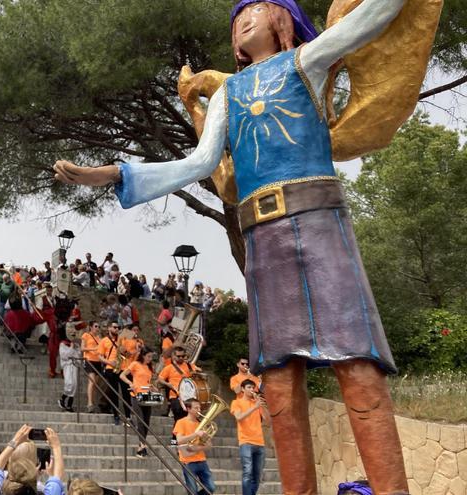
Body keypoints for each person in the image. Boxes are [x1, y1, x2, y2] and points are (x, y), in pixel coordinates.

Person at [53, 1, 414, 491]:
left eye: (258, 11)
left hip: (320, 221)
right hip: (263, 238)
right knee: (280, 386)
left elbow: (370, 18)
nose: (244, 20)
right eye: (237, 17)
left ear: (282, 22)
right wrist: (117, 173)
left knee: (359, 368)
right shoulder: (228, 94)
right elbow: (198, 163)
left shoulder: (307, 61)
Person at [0, 425, 64, 495]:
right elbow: (57, 478)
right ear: (36, 466)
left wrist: (15, 441)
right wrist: (56, 446)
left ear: (9, 465)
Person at [230, 380, 270, 495]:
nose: (252, 389)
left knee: (257, 476)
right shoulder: (236, 402)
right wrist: (254, 407)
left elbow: (268, 421)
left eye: (253, 387)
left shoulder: (256, 403)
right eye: (249, 387)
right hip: (246, 441)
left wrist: (263, 406)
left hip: (260, 442)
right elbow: (239, 417)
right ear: (242, 389)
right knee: (247, 473)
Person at [173, 399, 216, 495]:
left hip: (202, 460)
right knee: (192, 490)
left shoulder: (202, 424)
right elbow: (179, 441)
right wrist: (195, 434)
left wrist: (199, 447)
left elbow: (209, 446)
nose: (199, 410)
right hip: (188, 461)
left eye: (199, 407)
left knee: (211, 488)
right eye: (196, 408)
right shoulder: (181, 422)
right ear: (188, 409)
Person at [120, 347, 156, 458]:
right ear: (143, 355)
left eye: (151, 357)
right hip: (136, 395)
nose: (150, 359)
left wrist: (153, 387)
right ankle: (142, 445)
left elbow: (148, 381)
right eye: (148, 356)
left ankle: (141, 446)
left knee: (146, 421)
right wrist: (130, 383)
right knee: (140, 420)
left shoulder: (149, 367)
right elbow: (122, 375)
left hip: (147, 395)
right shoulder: (135, 364)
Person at [97, 322, 130, 425]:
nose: (117, 329)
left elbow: (127, 353)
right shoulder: (104, 341)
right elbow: (99, 356)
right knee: (114, 393)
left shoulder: (122, 339)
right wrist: (109, 362)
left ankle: (128, 416)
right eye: (115, 327)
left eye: (118, 328)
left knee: (126, 393)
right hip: (111, 368)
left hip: (123, 368)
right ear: (109, 328)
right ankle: (116, 415)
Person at [157, 346, 201, 422]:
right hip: (175, 395)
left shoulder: (189, 365)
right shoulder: (169, 368)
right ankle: (178, 433)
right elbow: (160, 379)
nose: (181, 358)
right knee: (179, 419)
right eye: (178, 356)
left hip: (189, 397)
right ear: (174, 356)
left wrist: (196, 372)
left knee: (190, 419)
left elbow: (199, 370)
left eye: (183, 356)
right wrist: (168, 384)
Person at [80, 321, 103, 412]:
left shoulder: (99, 338)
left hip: (98, 361)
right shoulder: (86, 335)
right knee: (92, 381)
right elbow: (82, 348)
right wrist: (93, 349)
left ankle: (92, 402)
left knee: (95, 384)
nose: (97, 328)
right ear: (91, 327)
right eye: (96, 326)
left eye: (98, 327)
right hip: (89, 360)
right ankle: (89, 403)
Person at [58, 337, 80, 412]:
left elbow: (78, 355)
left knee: (74, 384)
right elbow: (64, 356)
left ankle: (69, 405)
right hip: (67, 365)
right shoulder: (63, 344)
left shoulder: (76, 345)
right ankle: (63, 398)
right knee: (69, 383)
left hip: (74, 366)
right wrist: (71, 347)